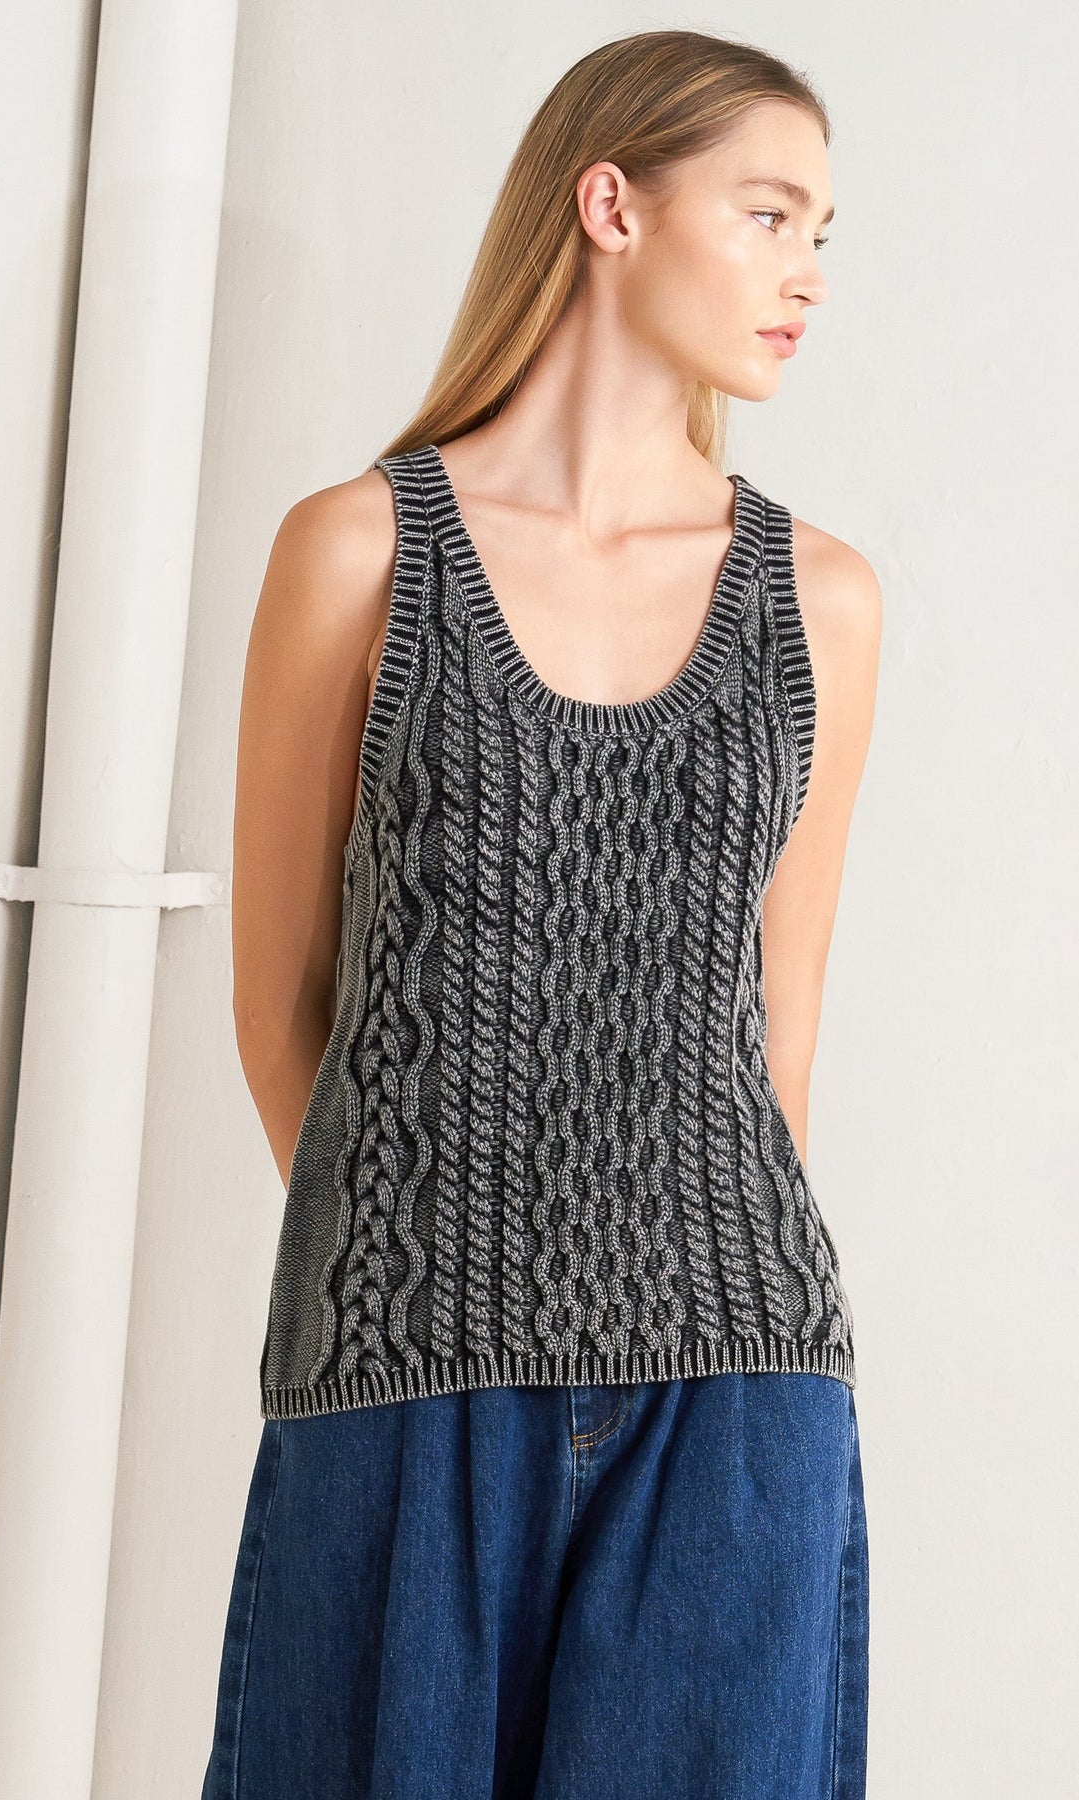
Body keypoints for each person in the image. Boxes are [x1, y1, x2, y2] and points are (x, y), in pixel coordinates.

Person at [203, 25, 881, 1800]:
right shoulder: (358, 552)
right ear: (611, 206)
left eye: (821, 232)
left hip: (736, 1391)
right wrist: (419, 1260)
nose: (808, 273)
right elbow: (279, 998)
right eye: (768, 214)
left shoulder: (818, 600)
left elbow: (778, 1035)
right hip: (403, 1376)